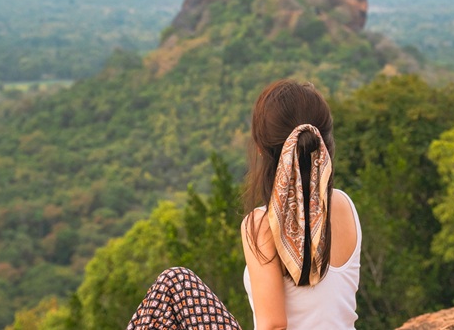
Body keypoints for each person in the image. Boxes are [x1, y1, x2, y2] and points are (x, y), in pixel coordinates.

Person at [127, 80, 361, 329]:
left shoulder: (262, 224)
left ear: (261, 150)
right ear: (322, 143)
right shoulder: (344, 204)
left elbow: (273, 325)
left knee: (173, 282)